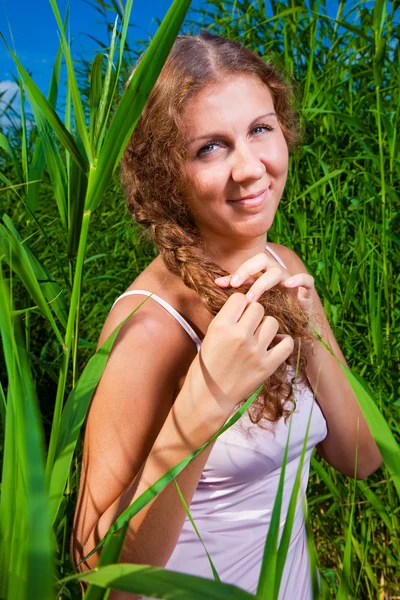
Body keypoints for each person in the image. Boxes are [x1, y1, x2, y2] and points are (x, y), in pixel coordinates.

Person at [71, 30, 382, 599]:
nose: (250, 168)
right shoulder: (148, 327)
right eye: (210, 147)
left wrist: (307, 328)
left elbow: (360, 458)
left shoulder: (283, 265)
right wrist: (206, 401)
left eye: (260, 129)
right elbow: (99, 575)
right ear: (166, 171)